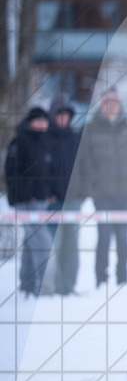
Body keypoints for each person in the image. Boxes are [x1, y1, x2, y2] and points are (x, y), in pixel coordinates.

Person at [78, 88, 127, 287]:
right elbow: (84, 159)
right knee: (104, 237)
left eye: (115, 103)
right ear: (101, 106)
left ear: (120, 105)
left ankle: (122, 277)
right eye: (107, 103)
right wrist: (92, 184)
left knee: (123, 237)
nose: (111, 107)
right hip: (102, 193)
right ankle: (101, 278)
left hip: (126, 193)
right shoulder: (91, 129)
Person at [4, 107, 57, 296]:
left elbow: (47, 172)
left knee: (30, 241)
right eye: (38, 120)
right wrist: (27, 194)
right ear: (30, 122)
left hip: (41, 201)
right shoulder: (19, 142)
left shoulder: (45, 141)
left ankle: (27, 284)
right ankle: (45, 287)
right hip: (26, 202)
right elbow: (11, 172)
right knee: (42, 241)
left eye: (45, 121)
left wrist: (48, 192)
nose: (42, 124)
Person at [47, 95, 82, 295]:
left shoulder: (75, 138)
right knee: (54, 244)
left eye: (66, 115)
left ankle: (68, 286)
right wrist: (46, 193)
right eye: (59, 114)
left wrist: (82, 192)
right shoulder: (45, 138)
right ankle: (52, 286)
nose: (63, 118)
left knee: (71, 245)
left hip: (73, 200)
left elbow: (85, 167)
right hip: (51, 202)